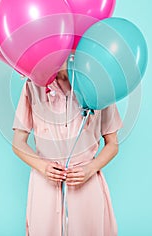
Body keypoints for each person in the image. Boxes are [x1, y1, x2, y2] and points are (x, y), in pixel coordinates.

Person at [12, 61, 123, 236]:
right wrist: (43, 167)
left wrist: (90, 169)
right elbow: (18, 142)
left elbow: (113, 144)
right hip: (45, 183)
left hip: (86, 183)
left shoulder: (99, 87)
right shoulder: (32, 85)